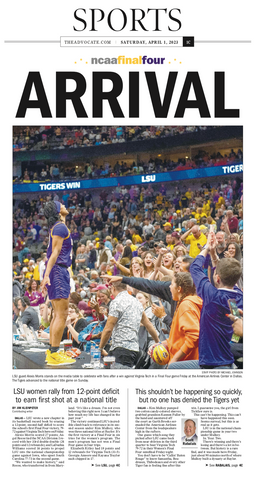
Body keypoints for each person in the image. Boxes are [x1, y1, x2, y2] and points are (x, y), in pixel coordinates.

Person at [40, 200, 76, 366]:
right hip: (57, 271)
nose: (64, 205)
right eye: (61, 204)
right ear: (57, 210)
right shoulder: (60, 227)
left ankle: (52, 352)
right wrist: (46, 274)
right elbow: (54, 253)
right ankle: (55, 354)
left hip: (57, 271)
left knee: (57, 313)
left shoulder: (57, 227)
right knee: (62, 314)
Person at [98, 280, 160, 368]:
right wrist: (158, 342)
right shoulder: (136, 302)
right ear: (126, 288)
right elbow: (148, 325)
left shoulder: (116, 302)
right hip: (133, 349)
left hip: (121, 349)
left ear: (113, 288)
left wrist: (100, 348)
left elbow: (108, 329)